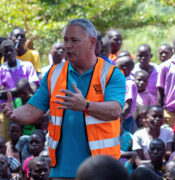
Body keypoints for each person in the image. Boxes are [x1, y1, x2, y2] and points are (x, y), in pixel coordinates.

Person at [2, 18, 126, 179]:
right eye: (65, 40)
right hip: (62, 169)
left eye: (74, 40)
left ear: (92, 42)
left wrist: (86, 106)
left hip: (101, 169)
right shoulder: (54, 73)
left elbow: (115, 110)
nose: (68, 45)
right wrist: (15, 114)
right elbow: (33, 109)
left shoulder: (111, 74)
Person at [157, 35, 175, 128]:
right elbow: (160, 90)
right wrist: (160, 111)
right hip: (170, 112)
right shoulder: (164, 66)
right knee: (170, 139)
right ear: (173, 48)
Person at [116, 55, 137, 133]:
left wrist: (120, 120)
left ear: (125, 69)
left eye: (116, 67)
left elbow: (127, 106)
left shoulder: (129, 84)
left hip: (124, 121)